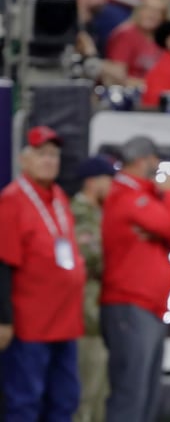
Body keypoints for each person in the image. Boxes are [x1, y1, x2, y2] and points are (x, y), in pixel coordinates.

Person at [0, 126, 87, 422]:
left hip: (65, 321)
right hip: (31, 326)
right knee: (25, 403)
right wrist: (4, 320)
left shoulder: (59, 197)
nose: (49, 160)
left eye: (53, 154)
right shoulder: (12, 200)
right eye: (41, 154)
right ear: (24, 160)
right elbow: (3, 264)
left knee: (65, 400)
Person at [100, 136, 170, 422]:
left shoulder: (145, 196)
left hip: (148, 307)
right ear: (143, 160)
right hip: (130, 305)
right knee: (131, 395)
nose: (158, 165)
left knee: (147, 395)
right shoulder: (127, 195)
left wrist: (163, 230)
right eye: (154, 159)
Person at [72, 156, 116, 422]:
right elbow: (94, 257)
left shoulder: (100, 213)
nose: (111, 185)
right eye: (107, 179)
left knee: (100, 393)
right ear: (93, 181)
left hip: (100, 316)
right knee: (85, 393)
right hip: (85, 317)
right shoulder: (77, 213)